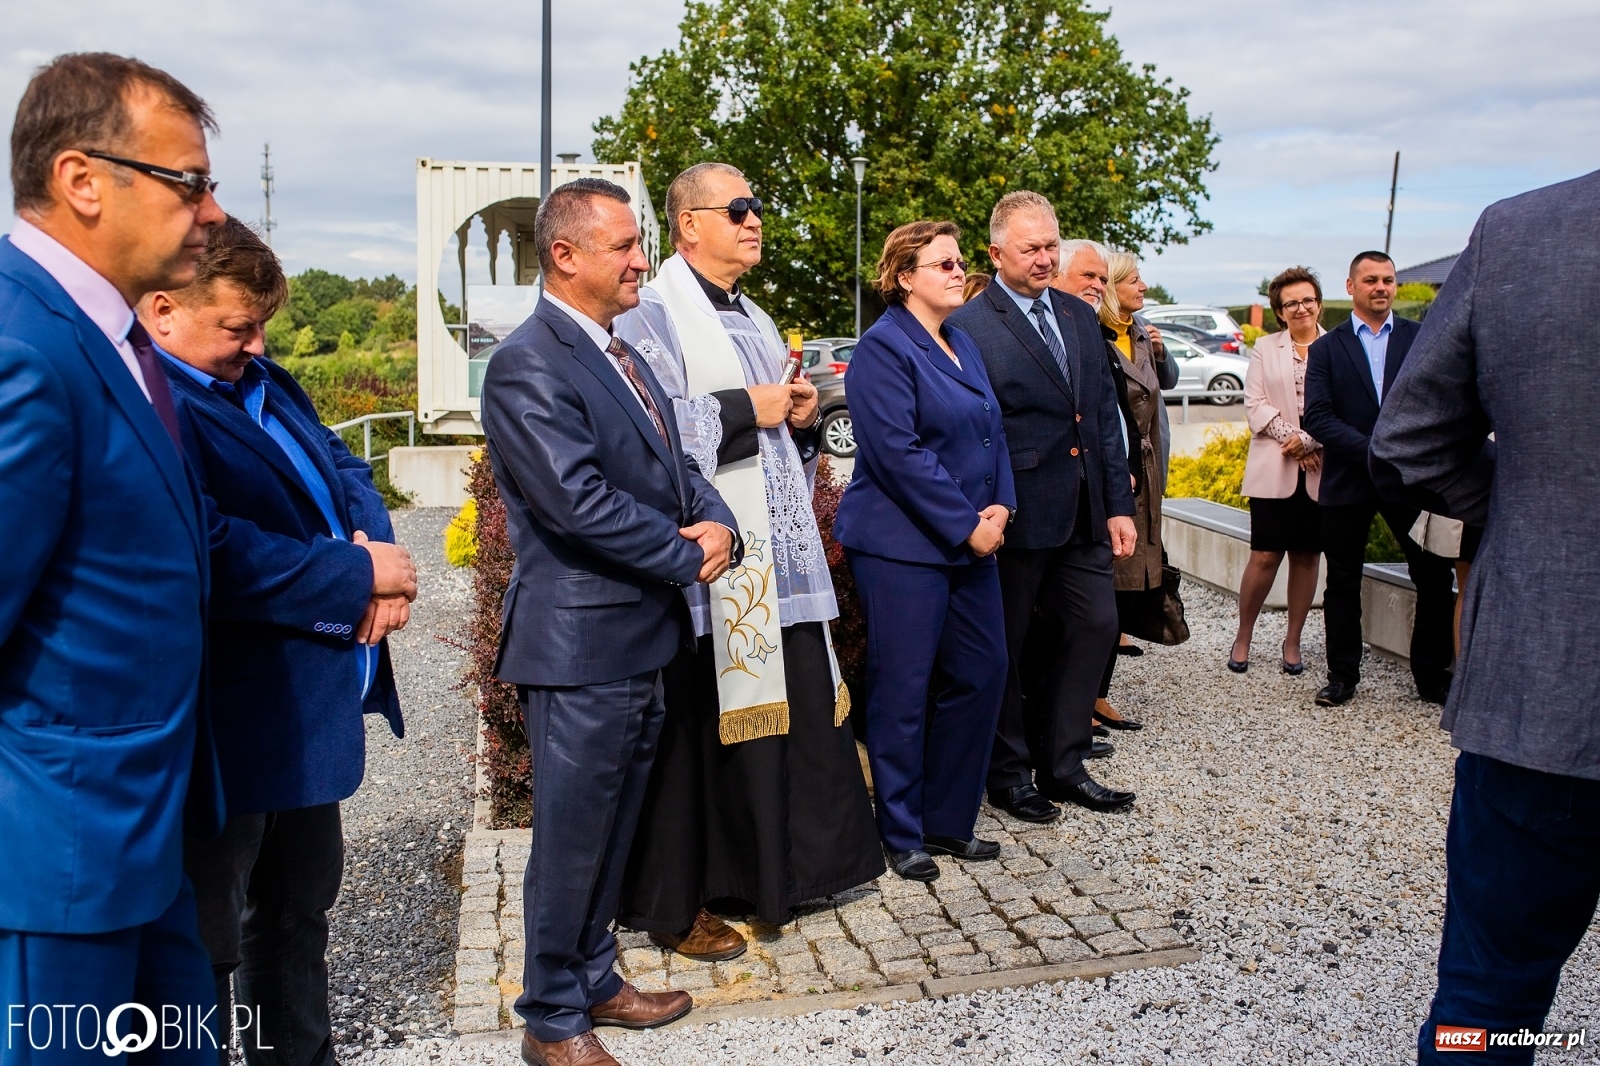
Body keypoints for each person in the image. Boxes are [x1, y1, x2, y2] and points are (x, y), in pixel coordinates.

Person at [143, 217, 418, 1066]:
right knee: (206, 943)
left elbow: (347, 469)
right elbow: (208, 546)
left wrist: (374, 556)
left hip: (305, 715)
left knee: (298, 912)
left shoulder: (266, 378)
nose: (258, 344)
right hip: (228, 726)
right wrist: (352, 577)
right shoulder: (155, 403)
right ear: (161, 311)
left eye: (263, 325)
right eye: (237, 327)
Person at [480, 178, 740, 1066]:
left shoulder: (620, 350)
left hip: (641, 636)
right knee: (571, 838)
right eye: (626, 246)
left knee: (613, 827)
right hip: (582, 646)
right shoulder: (529, 362)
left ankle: (593, 977)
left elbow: (677, 466)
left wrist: (721, 524)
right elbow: (576, 503)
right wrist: (686, 554)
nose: (642, 261)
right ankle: (552, 1019)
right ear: (566, 256)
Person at [0, 53, 226, 1062]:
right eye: (189, 183)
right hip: (60, 863)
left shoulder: (105, 340)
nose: (212, 212)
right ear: (81, 180)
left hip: (145, 836)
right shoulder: (24, 346)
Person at [612, 162, 882, 958]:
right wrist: (746, 409)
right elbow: (649, 428)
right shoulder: (653, 312)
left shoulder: (754, 315)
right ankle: (702, 888)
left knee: (798, 703)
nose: (755, 218)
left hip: (776, 558)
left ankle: (791, 874)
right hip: (712, 566)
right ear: (688, 224)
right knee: (708, 728)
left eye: (757, 205)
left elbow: (776, 444)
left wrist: (796, 419)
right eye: (738, 208)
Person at [1368, 170, 1600, 1066]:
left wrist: (1524, 514)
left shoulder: (1521, 231)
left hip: (1543, 688)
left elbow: (1410, 439)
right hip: (1538, 704)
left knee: (1488, 1000)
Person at [832, 220, 1015, 882]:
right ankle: (902, 829)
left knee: (983, 671)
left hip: (973, 537)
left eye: (959, 262)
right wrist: (969, 525)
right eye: (942, 263)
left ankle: (947, 818)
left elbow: (993, 434)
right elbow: (898, 453)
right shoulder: (882, 350)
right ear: (904, 276)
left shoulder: (960, 340)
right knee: (904, 688)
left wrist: (1003, 506)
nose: (956, 271)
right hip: (901, 547)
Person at [948, 194, 1138, 823]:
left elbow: (1103, 419)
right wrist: (984, 511)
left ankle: (1064, 765)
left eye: (1051, 245)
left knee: (1093, 627)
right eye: (1031, 248)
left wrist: (1117, 505)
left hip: (1084, 509)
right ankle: (1008, 773)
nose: (1044, 257)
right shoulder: (970, 326)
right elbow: (976, 430)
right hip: (1015, 513)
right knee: (1008, 646)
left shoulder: (1081, 318)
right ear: (997, 253)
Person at [1302, 251, 1456, 707]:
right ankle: (1342, 677)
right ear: (1350, 287)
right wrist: (1373, 451)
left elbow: (1436, 403)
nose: (1382, 287)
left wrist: (1403, 453)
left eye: (1388, 279)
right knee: (1343, 581)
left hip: (1410, 479)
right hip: (1349, 476)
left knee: (1433, 574)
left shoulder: (1420, 338)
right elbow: (1318, 416)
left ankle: (1431, 677)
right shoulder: (1327, 348)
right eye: (1371, 280)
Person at [1230, 266, 1325, 675]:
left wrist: (1313, 441)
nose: (1301, 308)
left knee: (1306, 556)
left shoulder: (1337, 347)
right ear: (1279, 311)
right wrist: (1295, 439)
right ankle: (1243, 635)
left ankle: (1293, 641)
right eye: (1291, 303)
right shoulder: (1265, 348)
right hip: (1274, 466)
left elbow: (1348, 405)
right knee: (1265, 555)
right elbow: (1255, 403)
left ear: (1318, 303)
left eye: (1307, 300)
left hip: (1323, 468)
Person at [1092, 250, 1173, 732]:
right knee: (1108, 583)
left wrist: (1161, 355)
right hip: (1120, 470)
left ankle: (1099, 693)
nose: (1143, 289)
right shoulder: (1097, 336)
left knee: (1131, 578)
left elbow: (1164, 383)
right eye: (1134, 281)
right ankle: (1085, 696)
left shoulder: (1141, 331)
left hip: (1147, 467)